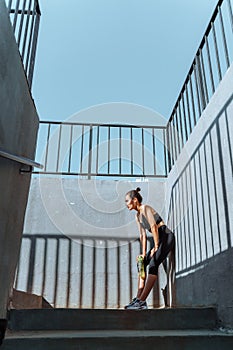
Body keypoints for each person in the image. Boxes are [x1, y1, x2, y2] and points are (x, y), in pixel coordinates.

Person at [124, 187, 175, 310]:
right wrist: (143, 254)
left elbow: (154, 227)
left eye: (127, 201)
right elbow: (143, 236)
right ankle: (138, 299)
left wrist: (156, 247)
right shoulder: (137, 216)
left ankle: (142, 302)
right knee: (141, 263)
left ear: (134, 200)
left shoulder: (145, 208)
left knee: (153, 264)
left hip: (166, 236)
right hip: (159, 238)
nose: (126, 204)